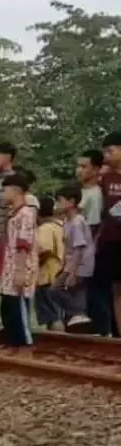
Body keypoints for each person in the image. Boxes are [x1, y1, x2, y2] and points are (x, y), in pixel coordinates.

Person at [0, 173, 39, 353]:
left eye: (5, 190)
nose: (2, 194)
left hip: (19, 266)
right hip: (9, 267)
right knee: (8, 306)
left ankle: (24, 344)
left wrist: (21, 271)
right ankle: (12, 342)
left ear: (16, 191)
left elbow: (24, 243)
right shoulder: (13, 214)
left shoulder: (26, 213)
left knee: (19, 306)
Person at [78, 148, 112, 336]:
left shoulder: (95, 194)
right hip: (78, 250)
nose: (79, 170)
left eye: (84, 166)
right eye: (78, 166)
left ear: (96, 169)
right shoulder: (81, 192)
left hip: (90, 251)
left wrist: (86, 251)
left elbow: (92, 226)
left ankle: (104, 333)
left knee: (97, 294)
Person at [54, 183, 94, 333]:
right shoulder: (67, 222)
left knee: (55, 289)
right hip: (72, 265)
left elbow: (78, 249)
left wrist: (72, 273)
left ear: (71, 202)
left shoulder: (77, 222)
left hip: (80, 266)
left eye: (61, 200)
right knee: (76, 294)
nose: (58, 204)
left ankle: (78, 314)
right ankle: (76, 319)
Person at [99, 132, 121, 337]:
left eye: (111, 150)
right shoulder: (105, 178)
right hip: (111, 241)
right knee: (115, 288)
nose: (107, 155)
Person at [33, 195, 65, 330]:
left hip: (46, 277)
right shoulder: (60, 225)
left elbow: (45, 250)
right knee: (58, 312)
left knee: (52, 315)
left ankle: (57, 342)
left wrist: (35, 265)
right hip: (60, 274)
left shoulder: (45, 228)